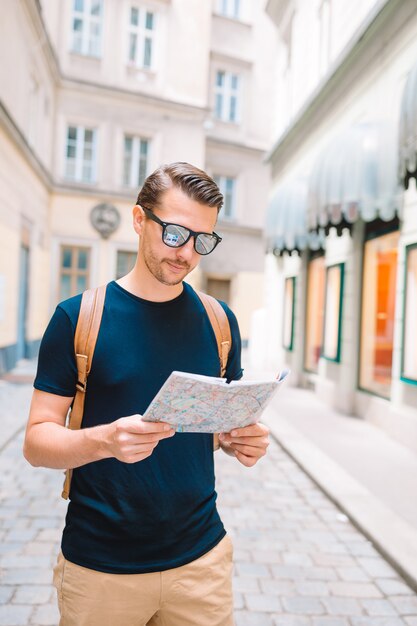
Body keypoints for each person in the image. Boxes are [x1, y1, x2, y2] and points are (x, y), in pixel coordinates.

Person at [23, 162, 270, 626]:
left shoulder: (220, 322)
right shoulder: (77, 318)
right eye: (175, 233)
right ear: (140, 220)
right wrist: (104, 441)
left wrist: (240, 440)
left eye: (203, 240)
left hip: (202, 563)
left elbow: (211, 429)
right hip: (101, 568)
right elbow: (36, 443)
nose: (187, 254)